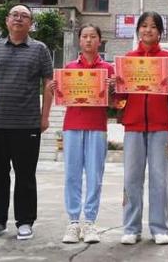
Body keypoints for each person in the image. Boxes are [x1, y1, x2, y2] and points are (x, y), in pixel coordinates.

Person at [0, 3, 53, 240]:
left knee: (25, 175)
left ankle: (25, 221)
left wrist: (45, 116)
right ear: (7, 21)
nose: (18, 19)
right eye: (14, 15)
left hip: (27, 123)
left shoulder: (40, 49)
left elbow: (48, 84)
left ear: (31, 23)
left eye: (24, 16)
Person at [114, 11, 168, 245]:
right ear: (138, 30)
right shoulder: (128, 59)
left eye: (153, 27)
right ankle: (131, 228)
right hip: (133, 125)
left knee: (159, 178)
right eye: (144, 26)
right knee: (132, 178)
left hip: (160, 125)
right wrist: (117, 85)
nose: (148, 30)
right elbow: (121, 96)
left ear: (160, 32)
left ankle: (159, 228)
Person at [53, 25, 114, 244]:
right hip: (72, 125)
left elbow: (117, 102)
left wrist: (113, 88)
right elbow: (63, 97)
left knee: (95, 176)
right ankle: (72, 222)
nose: (88, 40)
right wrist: (56, 89)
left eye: (93, 37)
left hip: (97, 126)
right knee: (72, 175)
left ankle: (89, 222)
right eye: (85, 37)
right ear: (79, 41)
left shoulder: (108, 69)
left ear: (100, 41)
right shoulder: (69, 68)